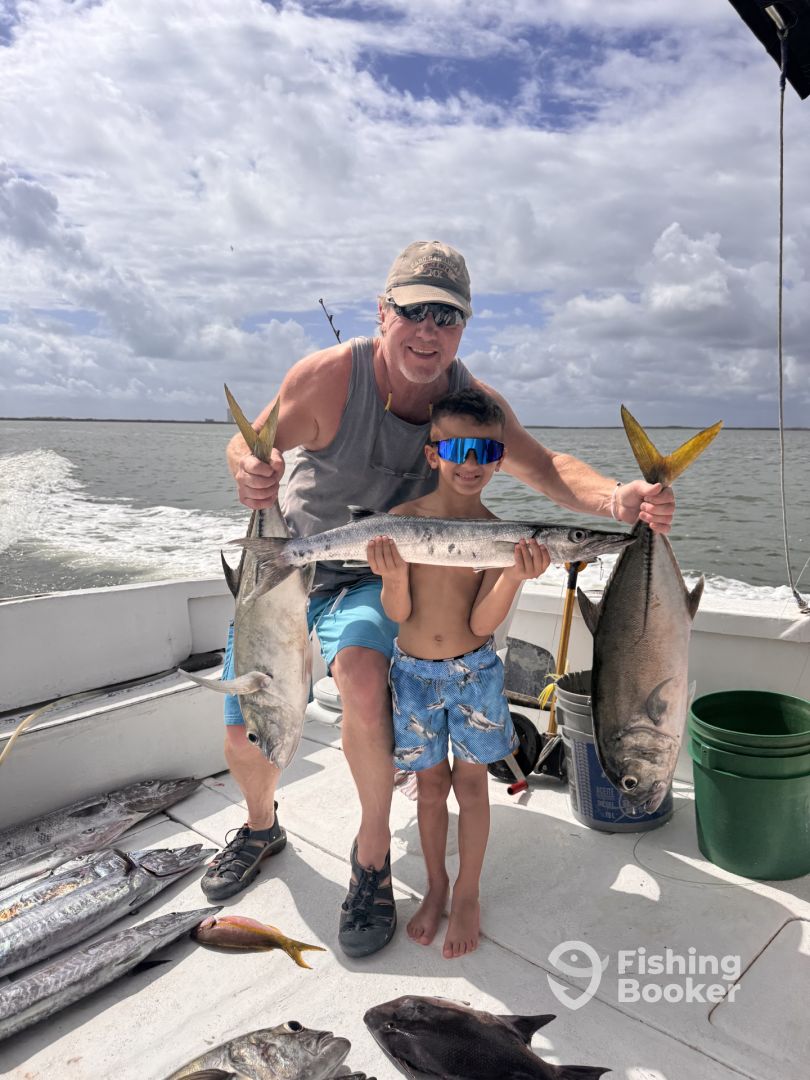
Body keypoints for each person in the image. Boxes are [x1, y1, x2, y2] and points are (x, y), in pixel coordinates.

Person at [202, 239, 676, 960]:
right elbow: (248, 445)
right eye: (414, 311)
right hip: (286, 567)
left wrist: (619, 499)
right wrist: (249, 469)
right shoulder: (330, 379)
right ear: (382, 311)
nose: (429, 330)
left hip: (378, 573)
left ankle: (370, 858)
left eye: (447, 316)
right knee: (246, 734)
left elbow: (547, 467)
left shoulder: (469, 406)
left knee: (363, 678)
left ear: (464, 326)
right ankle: (261, 826)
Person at [366, 388, 549, 959]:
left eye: (485, 451)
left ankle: (468, 891)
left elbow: (480, 622)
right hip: (411, 675)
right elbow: (398, 613)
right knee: (429, 788)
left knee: (471, 787)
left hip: (477, 673)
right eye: (456, 448)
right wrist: (394, 577)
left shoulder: (500, 532)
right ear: (433, 454)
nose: (470, 462)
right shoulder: (401, 522)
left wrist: (513, 575)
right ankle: (436, 885)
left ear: (499, 460)